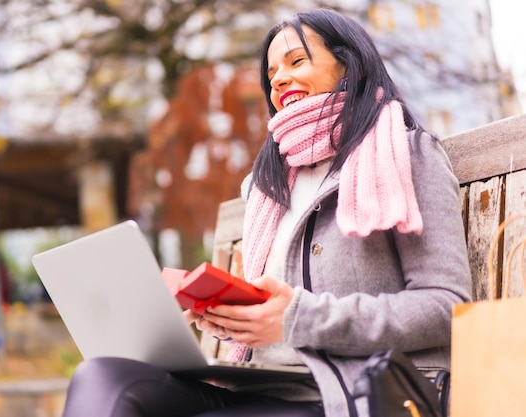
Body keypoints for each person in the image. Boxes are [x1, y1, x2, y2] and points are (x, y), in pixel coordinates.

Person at [61, 8, 472, 417]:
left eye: (296, 61)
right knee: (101, 376)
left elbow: (445, 307)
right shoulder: (270, 185)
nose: (278, 78)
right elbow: (269, 309)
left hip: (357, 391)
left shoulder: (407, 154)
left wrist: (299, 318)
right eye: (272, 72)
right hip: (263, 385)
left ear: (350, 64)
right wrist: (230, 316)